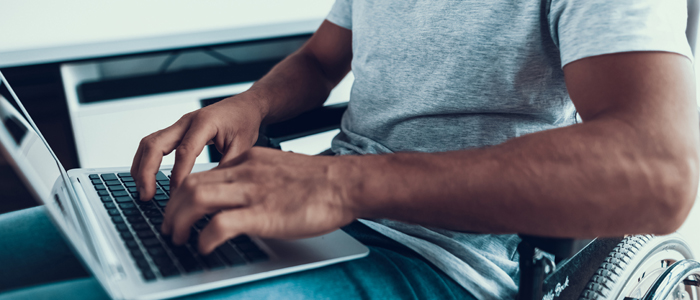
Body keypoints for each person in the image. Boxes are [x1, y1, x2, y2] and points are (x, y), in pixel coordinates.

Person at [1, 0, 698, 299]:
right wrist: (249, 106)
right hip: (325, 210)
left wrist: (341, 186)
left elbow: (661, 172)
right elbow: (320, 58)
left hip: (446, 264)